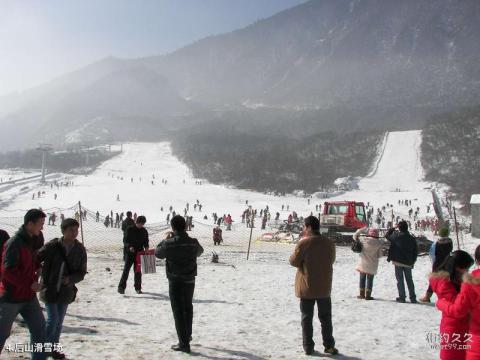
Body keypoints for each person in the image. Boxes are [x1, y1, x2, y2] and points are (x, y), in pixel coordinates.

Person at [37, 219, 87, 360]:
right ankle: (42, 350)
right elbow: (36, 257)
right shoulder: (53, 246)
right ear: (63, 230)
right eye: (71, 230)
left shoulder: (80, 249)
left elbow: (82, 272)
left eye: (76, 230)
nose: (74, 233)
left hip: (66, 291)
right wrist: (37, 272)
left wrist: (70, 279)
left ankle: (53, 349)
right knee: (53, 320)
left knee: (58, 323)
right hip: (50, 289)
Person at [0, 209, 47, 359]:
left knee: (40, 329)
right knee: (2, 334)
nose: (42, 227)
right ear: (29, 224)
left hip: (28, 297)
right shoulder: (14, 243)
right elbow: (8, 271)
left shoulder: (30, 241)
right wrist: (29, 284)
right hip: (10, 297)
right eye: (40, 224)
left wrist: (37, 266)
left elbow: (28, 262)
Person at [289, 216, 338, 356]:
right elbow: (332, 260)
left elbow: (294, 261)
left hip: (307, 286)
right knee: (326, 318)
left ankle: (308, 346)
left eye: (305, 227)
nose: (303, 229)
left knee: (306, 317)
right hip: (324, 286)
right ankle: (329, 345)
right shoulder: (329, 243)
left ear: (309, 227)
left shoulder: (304, 243)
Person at [155, 215, 204, 354]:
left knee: (178, 310)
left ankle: (184, 344)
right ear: (185, 226)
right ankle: (187, 335)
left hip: (175, 279)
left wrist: (165, 240)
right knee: (188, 307)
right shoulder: (193, 242)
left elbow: (158, 253)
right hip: (189, 279)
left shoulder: (169, 243)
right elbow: (200, 252)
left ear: (173, 227)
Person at [437, 245, 480, 360]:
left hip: (468, 333)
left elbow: (458, 309)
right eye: (466, 268)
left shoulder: (469, 282)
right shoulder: (446, 283)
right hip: (455, 330)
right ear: (456, 267)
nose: (467, 271)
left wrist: (441, 303)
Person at [385, 221, 418, 303]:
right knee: (409, 280)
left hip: (398, 261)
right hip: (408, 262)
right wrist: (413, 261)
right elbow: (415, 251)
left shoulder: (396, 237)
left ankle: (402, 297)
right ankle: (413, 297)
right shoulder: (412, 238)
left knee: (400, 279)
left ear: (399, 228)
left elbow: (387, 236)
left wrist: (391, 229)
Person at [420, 227, 453, 303]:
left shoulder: (436, 243)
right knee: (446, 280)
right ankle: (447, 296)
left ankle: (427, 296)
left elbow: (432, 254)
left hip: (437, 263)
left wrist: (434, 261)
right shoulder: (450, 241)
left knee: (433, 280)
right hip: (447, 262)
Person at [118, 216, 149, 294]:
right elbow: (125, 241)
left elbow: (146, 241)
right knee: (126, 270)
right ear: (137, 222)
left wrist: (146, 247)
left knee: (138, 271)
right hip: (130, 253)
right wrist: (130, 247)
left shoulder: (144, 231)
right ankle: (121, 288)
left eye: (142, 224)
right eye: (140, 223)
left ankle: (138, 288)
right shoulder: (129, 229)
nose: (141, 225)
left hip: (139, 253)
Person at [353, 227, 385, 300]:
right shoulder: (379, 243)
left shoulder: (363, 240)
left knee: (362, 278)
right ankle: (368, 295)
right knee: (370, 280)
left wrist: (361, 229)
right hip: (372, 264)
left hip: (363, 263)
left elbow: (355, 236)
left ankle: (361, 294)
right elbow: (380, 255)